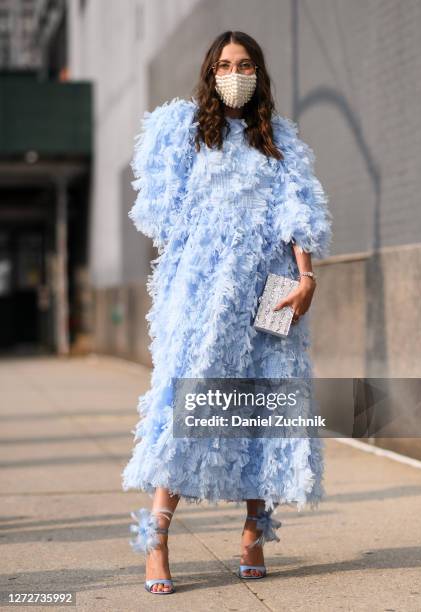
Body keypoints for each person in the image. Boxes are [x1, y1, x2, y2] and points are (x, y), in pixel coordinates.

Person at [122, 30, 333, 595]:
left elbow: (299, 207)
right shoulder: (184, 131)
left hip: (272, 286)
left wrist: (305, 276)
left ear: (259, 73)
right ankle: (157, 539)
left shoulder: (278, 137)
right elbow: (161, 212)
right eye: (224, 65)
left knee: (263, 400)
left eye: (244, 65)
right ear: (210, 72)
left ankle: (253, 531)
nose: (234, 74)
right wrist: (198, 259)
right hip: (204, 292)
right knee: (189, 400)